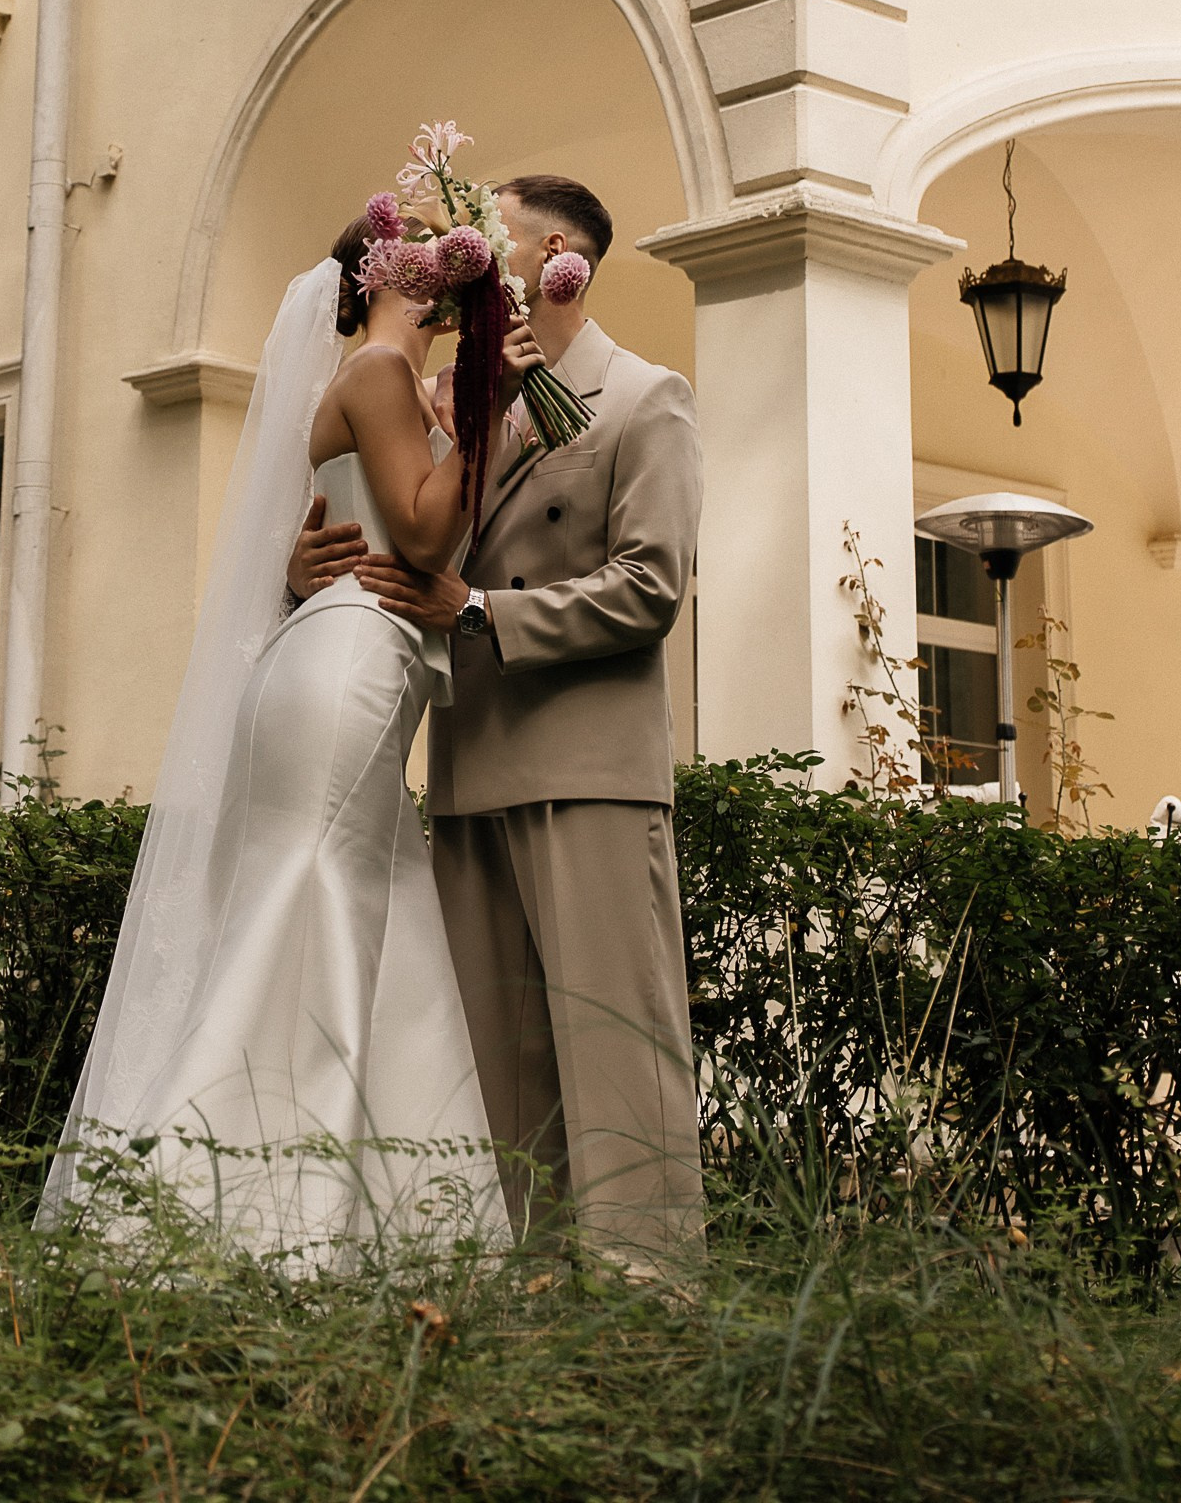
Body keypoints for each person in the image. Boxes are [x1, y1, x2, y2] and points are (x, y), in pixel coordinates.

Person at [40, 217, 538, 1261]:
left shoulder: (397, 388)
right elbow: (421, 531)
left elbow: (358, 522)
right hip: (348, 663)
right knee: (310, 907)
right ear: (385, 277)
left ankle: (368, 1226)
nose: (445, 275)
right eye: (425, 253)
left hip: (339, 660)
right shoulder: (378, 372)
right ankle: (229, 1218)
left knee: (358, 912)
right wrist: (492, 403)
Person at [289, 173, 704, 1260]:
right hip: (469, 768)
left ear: (557, 257)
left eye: (487, 233)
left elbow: (650, 589)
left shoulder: (644, 397)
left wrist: (477, 612)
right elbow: (395, 536)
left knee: (618, 1054)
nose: (458, 255)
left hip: (587, 772)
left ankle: (646, 1297)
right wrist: (306, 565)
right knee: (492, 1072)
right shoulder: (456, 406)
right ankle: (528, 1300)